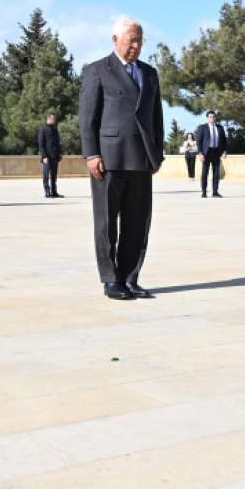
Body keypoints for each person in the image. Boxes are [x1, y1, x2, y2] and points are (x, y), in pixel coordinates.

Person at [79, 16, 164, 300]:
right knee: (106, 222)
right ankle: (110, 279)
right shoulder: (97, 70)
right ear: (115, 40)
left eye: (140, 41)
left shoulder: (149, 73)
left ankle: (130, 277)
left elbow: (156, 117)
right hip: (108, 159)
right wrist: (92, 154)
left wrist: (157, 153)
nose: (136, 46)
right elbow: (87, 118)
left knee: (137, 222)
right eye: (131, 41)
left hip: (141, 159)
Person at [195, 110, 227, 198]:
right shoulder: (202, 127)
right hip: (206, 152)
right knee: (205, 173)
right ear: (207, 118)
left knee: (216, 173)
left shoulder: (220, 127)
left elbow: (224, 140)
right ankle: (204, 192)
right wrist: (200, 153)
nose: (212, 118)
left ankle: (215, 192)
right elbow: (199, 141)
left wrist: (224, 151)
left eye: (213, 117)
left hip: (216, 152)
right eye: (210, 117)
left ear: (215, 118)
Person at [36, 113, 63, 198]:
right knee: (46, 176)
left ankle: (54, 192)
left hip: (55, 156)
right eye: (53, 119)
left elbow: (57, 142)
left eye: (55, 119)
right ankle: (47, 192)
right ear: (48, 119)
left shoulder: (55, 129)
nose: (54, 120)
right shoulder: (43, 129)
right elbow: (41, 144)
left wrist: (60, 153)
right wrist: (44, 156)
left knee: (54, 176)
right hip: (47, 157)